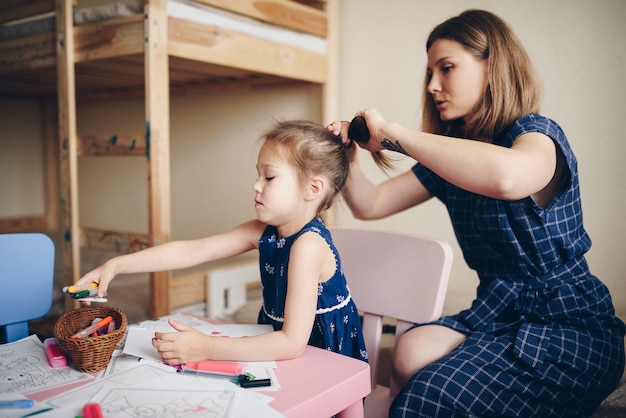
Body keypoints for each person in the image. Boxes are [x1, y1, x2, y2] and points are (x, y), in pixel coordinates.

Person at [327, 9, 625, 418]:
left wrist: (395, 136)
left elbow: (506, 177)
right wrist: (351, 162)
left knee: (432, 393)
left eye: (446, 68)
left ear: (493, 65)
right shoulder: (450, 156)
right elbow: (370, 205)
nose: (432, 86)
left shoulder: (536, 136)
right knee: (410, 349)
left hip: (569, 324)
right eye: (429, 72)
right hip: (498, 311)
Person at [75, 119, 367, 366]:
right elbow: (193, 250)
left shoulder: (308, 247)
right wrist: (114, 265)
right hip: (275, 345)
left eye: (269, 177)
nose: (256, 185)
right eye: (258, 175)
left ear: (312, 189)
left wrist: (206, 347)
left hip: (323, 359)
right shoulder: (263, 231)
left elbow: (291, 344)